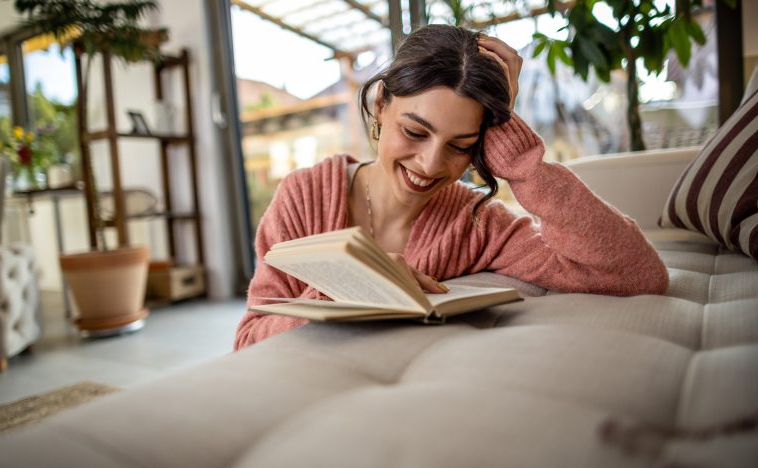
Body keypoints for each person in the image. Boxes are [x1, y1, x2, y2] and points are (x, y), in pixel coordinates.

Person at [234, 25, 669, 351]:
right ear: (381, 103)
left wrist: (523, 165)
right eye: (415, 132)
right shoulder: (305, 196)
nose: (431, 165)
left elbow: (637, 274)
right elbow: (249, 340)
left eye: (460, 146)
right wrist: (349, 285)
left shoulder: (476, 223)